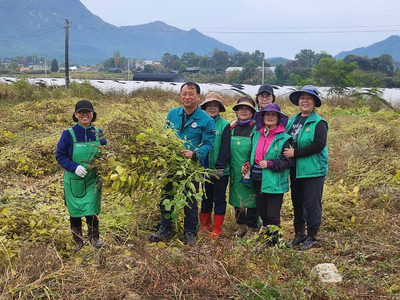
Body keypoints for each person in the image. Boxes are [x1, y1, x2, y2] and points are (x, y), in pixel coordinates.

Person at [148, 82, 216, 245]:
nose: (187, 97)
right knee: (166, 197)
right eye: (184, 93)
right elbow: (165, 134)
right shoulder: (173, 114)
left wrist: (194, 153)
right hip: (172, 165)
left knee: (190, 199)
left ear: (198, 97)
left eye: (191, 94)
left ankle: (190, 232)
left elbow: (208, 143)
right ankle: (165, 229)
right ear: (180, 96)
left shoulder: (206, 120)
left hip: (191, 167)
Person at [56, 100, 107, 251]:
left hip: (93, 179)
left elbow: (106, 150)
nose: (85, 115)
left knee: (92, 208)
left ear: (93, 115)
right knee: (75, 210)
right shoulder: (68, 134)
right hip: (74, 179)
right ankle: (78, 241)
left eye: (88, 112)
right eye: (81, 112)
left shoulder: (99, 133)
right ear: (76, 115)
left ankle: (94, 238)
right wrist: (74, 166)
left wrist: (110, 155)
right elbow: (60, 156)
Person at [283, 85, 328, 250]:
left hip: (313, 170)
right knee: (297, 201)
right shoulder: (292, 121)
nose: (305, 101)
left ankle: (312, 236)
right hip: (295, 169)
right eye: (302, 98)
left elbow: (318, 144)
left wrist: (296, 152)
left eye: (309, 98)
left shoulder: (319, 123)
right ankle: (299, 234)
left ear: (314, 102)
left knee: (312, 203)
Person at [250, 103, 293, 245]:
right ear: (262, 118)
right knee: (262, 212)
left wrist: (270, 164)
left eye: (273, 115)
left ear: (278, 118)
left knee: (273, 214)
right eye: (267, 114)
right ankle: (268, 239)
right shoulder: (256, 135)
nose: (270, 117)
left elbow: (287, 162)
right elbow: (252, 154)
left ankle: (276, 243)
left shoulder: (284, 138)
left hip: (275, 180)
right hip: (258, 178)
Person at [220, 97, 258, 237]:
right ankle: (241, 227)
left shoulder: (256, 128)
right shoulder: (231, 128)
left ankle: (253, 227)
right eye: (240, 108)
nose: (243, 111)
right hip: (235, 170)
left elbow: (258, 150)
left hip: (250, 169)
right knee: (237, 199)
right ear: (236, 111)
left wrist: (249, 164)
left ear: (252, 112)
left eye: (247, 109)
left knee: (252, 200)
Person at [198, 92, 230, 238]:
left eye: (215, 105)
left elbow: (225, 149)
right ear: (205, 107)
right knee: (205, 196)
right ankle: (205, 225)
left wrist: (219, 168)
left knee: (219, 198)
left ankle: (217, 228)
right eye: (209, 105)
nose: (212, 108)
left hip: (220, 170)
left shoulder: (224, 126)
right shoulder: (200, 123)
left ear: (219, 108)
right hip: (203, 169)